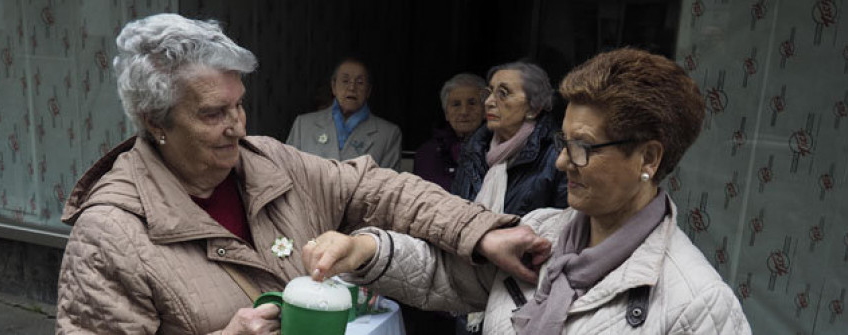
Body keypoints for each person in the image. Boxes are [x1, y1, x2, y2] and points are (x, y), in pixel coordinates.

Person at [55, 14, 534, 334]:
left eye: (239, 105)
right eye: (212, 114)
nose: (236, 127)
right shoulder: (110, 235)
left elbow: (375, 186)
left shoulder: (268, 161)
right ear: (155, 122)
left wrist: (481, 232)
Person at [303, 48, 751, 334]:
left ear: (648, 159)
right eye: (562, 143)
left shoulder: (697, 305)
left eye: (582, 149)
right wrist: (364, 249)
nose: (560, 163)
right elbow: (446, 275)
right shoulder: (541, 234)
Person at [451, 62, 567, 217]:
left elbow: (563, 227)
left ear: (533, 109)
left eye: (503, 93)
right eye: (489, 92)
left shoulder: (557, 156)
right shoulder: (474, 150)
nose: (488, 102)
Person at [286, 58, 403, 169]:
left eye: (360, 82)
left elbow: (387, 187)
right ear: (333, 87)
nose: (352, 87)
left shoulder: (388, 134)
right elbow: (287, 173)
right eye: (345, 81)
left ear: (368, 91)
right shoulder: (303, 125)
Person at [414, 73, 487, 190]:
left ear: (485, 111)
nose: (464, 111)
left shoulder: (496, 151)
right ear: (446, 113)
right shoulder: (426, 154)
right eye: (456, 104)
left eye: (472, 103)